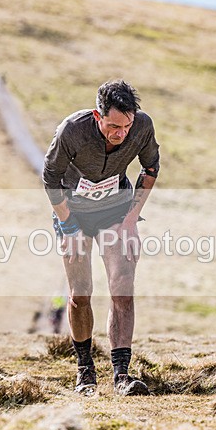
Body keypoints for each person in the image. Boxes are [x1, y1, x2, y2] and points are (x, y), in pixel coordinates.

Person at [42, 79, 160, 396]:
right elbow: (50, 177)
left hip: (115, 210)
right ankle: (85, 372)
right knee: (80, 293)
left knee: (122, 285)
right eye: (113, 126)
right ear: (98, 116)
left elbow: (150, 167)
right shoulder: (72, 130)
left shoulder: (142, 126)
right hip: (73, 212)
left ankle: (121, 375)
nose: (120, 133)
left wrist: (132, 219)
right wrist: (68, 225)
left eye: (126, 126)